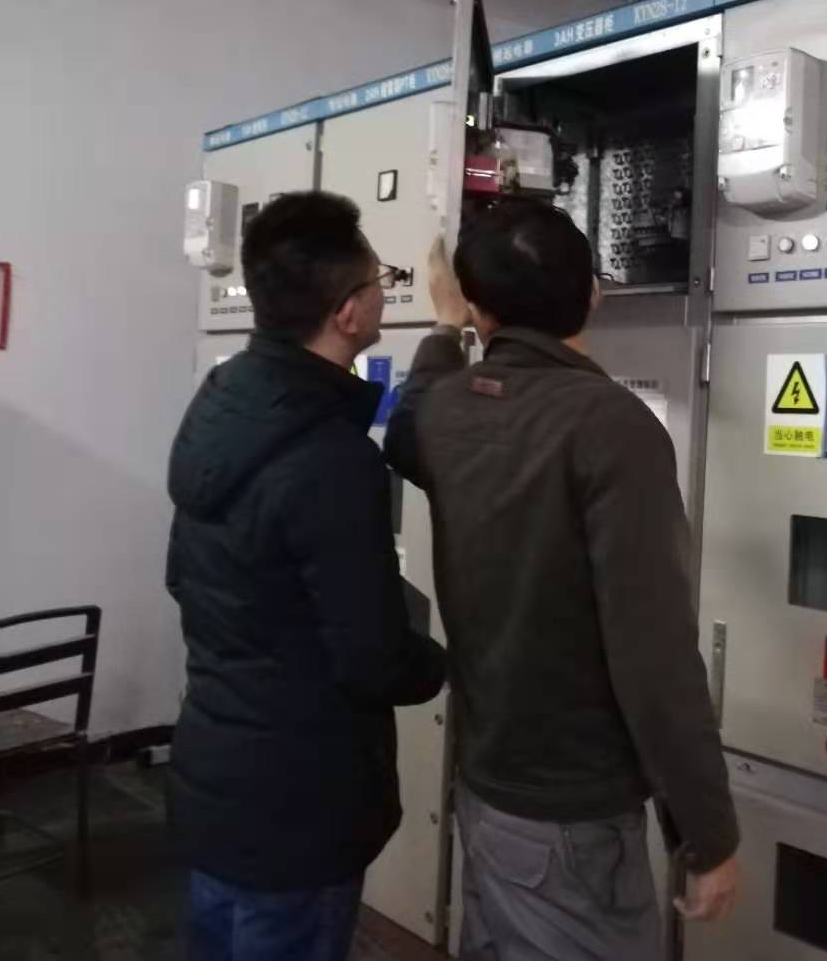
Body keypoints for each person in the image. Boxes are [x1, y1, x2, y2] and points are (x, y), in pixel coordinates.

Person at [385, 199, 740, 961]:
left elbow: (406, 432)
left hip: (486, 788)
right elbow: (654, 655)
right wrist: (706, 831)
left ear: (479, 311)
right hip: (573, 820)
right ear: (593, 296)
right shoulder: (611, 424)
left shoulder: (446, 411)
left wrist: (444, 328)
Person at [166, 192, 448, 961]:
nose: (387, 293)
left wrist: (443, 337)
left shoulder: (222, 404)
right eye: (382, 281)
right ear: (349, 313)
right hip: (301, 806)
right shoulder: (331, 457)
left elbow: (184, 579)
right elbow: (372, 658)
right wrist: (443, 661)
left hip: (217, 779)